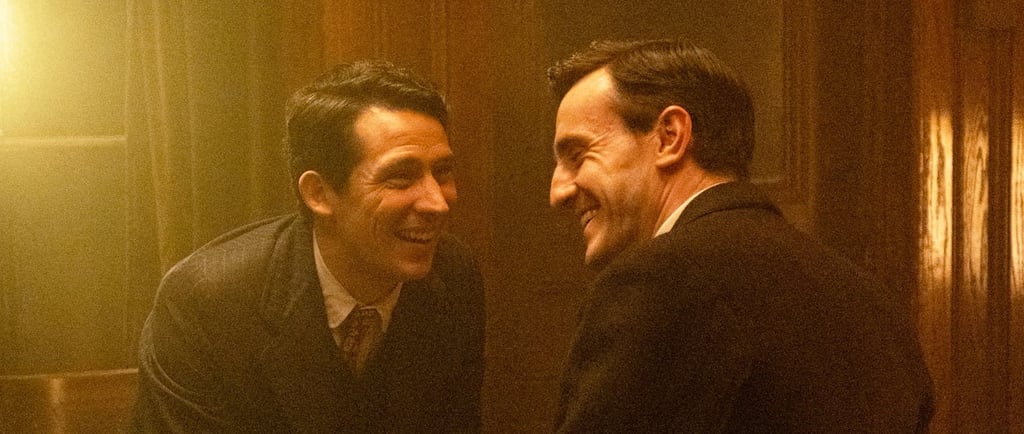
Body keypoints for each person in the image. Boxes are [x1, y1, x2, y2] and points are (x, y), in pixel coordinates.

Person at [546, 39, 933, 432]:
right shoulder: (877, 308)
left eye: (578, 155)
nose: (557, 192)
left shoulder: (658, 281)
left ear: (669, 136)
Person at [132, 60, 485, 432]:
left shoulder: (453, 275)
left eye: (442, 172)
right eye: (400, 177)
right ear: (318, 193)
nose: (437, 202)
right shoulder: (207, 301)